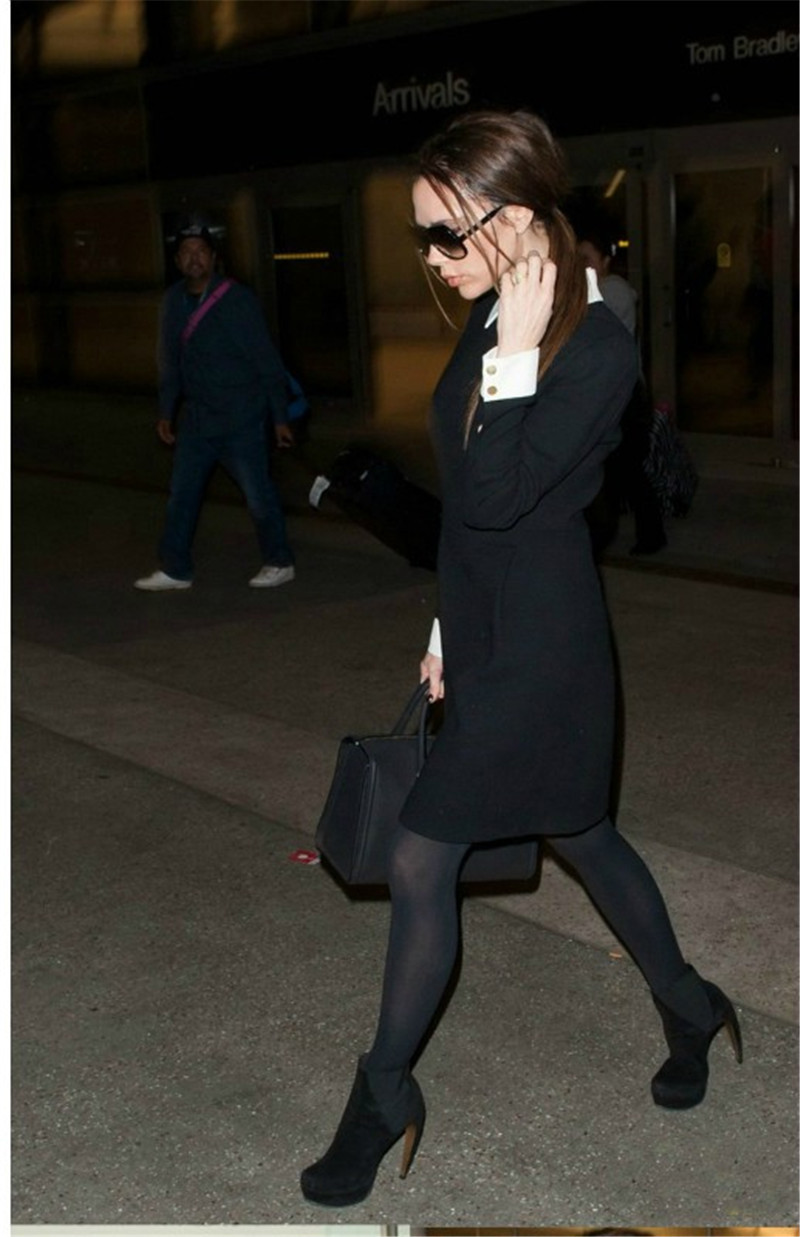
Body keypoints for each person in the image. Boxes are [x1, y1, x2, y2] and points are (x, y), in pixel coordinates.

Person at [300, 111, 742, 1208]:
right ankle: (690, 1004)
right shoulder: (495, 308)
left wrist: (508, 358)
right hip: (488, 626)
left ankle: (382, 1092)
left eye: (445, 234)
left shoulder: (593, 346)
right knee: (582, 834)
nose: (432, 259)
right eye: (421, 235)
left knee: (422, 856)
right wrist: (445, 628)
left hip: (547, 646)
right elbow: (465, 503)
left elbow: (502, 495)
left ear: (515, 214)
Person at [135, 221, 296, 591]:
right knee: (182, 495)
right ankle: (175, 569)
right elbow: (169, 361)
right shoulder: (173, 301)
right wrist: (166, 411)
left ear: (213, 258)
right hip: (196, 419)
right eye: (186, 252)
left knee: (258, 495)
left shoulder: (236, 300)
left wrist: (280, 417)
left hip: (241, 417)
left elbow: (265, 360)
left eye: (201, 251)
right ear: (177, 261)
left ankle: (279, 561)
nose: (194, 258)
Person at [576, 226, 667, 556]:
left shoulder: (612, 290)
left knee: (627, 468)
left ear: (605, 261)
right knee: (616, 467)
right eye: (577, 259)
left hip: (625, 396)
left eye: (587, 258)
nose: (581, 265)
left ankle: (649, 535)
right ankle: (617, 530)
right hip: (611, 394)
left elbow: (590, 333)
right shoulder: (596, 291)